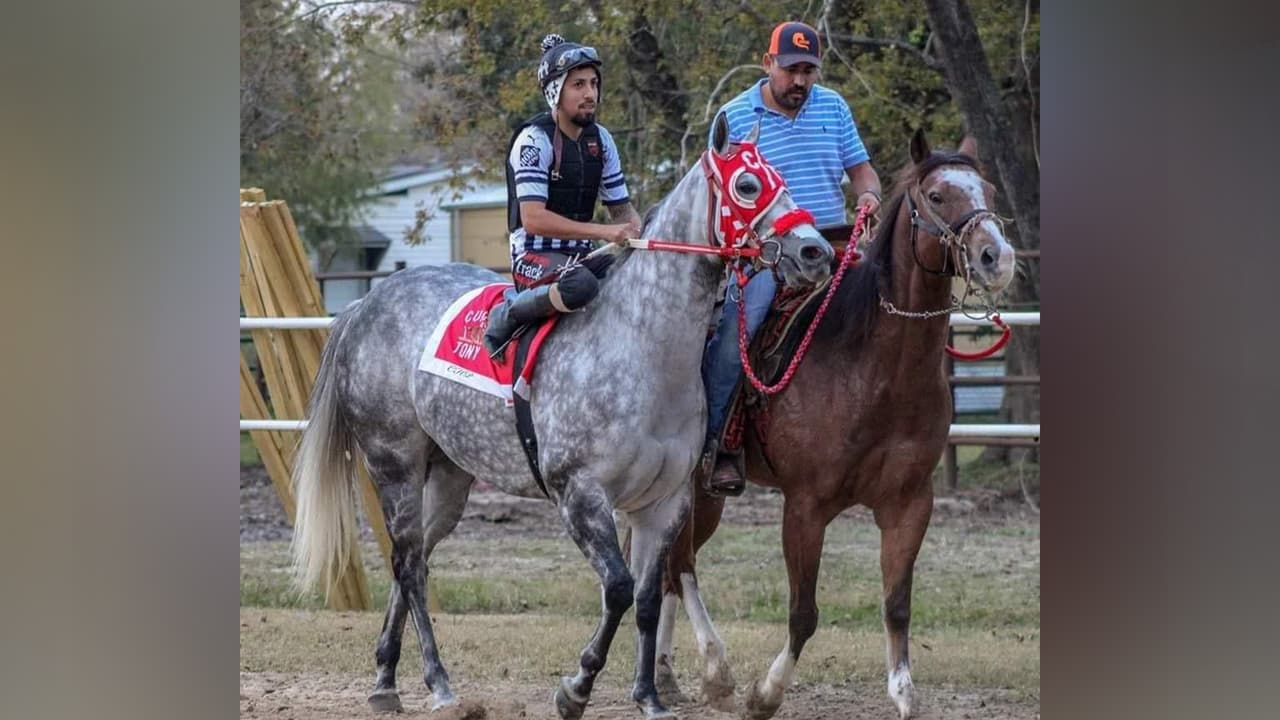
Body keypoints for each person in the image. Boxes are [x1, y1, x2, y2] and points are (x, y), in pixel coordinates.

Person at [699, 20, 884, 494]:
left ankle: (893, 433)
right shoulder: (736, 118)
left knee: (896, 306)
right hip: (768, 253)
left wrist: (868, 198)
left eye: (809, 71)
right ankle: (718, 442)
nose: (800, 81)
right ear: (768, 64)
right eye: (791, 70)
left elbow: (862, 173)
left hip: (834, 245)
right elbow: (717, 195)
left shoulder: (834, 107)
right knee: (737, 333)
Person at [483, 33, 643, 356]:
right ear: (555, 90)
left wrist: (639, 237)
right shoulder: (533, 141)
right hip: (533, 257)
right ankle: (510, 311)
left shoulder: (603, 141)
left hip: (582, 256)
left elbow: (623, 212)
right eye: (578, 85)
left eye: (594, 84)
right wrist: (606, 232)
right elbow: (533, 219)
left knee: (641, 279)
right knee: (581, 286)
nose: (590, 94)